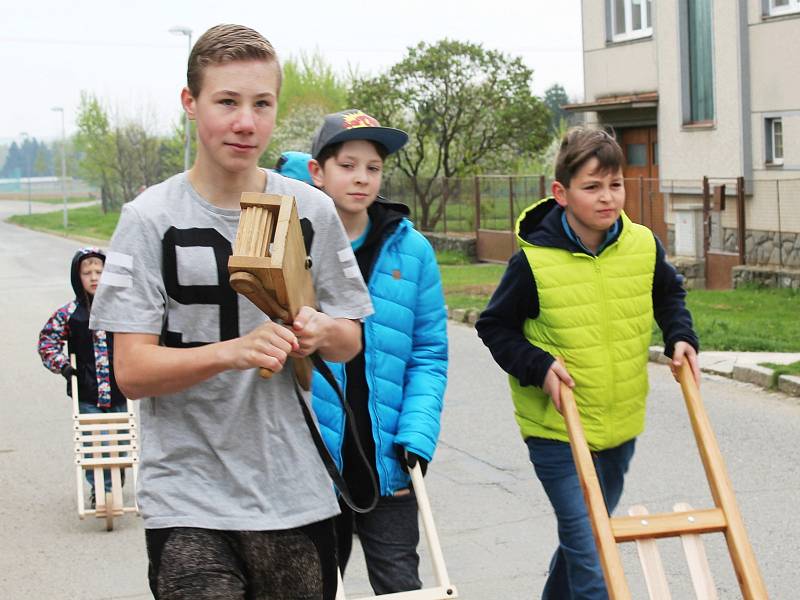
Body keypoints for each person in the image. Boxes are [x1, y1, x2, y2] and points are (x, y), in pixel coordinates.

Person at [89, 25, 373, 600]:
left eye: (262, 104)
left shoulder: (312, 208)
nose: (246, 122)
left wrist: (322, 330)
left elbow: (351, 341)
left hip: (296, 493)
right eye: (227, 102)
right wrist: (231, 353)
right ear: (190, 104)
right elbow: (131, 372)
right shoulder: (148, 220)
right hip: (188, 499)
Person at [475, 126, 700, 600]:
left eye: (614, 185)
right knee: (593, 551)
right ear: (562, 193)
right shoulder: (533, 263)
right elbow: (495, 327)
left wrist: (680, 336)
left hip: (620, 422)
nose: (607, 198)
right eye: (592, 187)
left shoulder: (642, 245)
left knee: (586, 542)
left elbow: (669, 294)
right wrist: (539, 367)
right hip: (558, 429)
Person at [303, 109, 448, 595]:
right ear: (317, 173)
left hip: (388, 460)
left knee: (402, 586)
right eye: (348, 165)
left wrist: (418, 436)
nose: (361, 178)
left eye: (373, 167)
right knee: (318, 587)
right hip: (313, 465)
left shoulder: (413, 252)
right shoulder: (292, 248)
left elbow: (429, 352)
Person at [38, 247, 127, 507]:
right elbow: (47, 342)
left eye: (99, 271)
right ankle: (101, 491)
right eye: (87, 272)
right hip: (86, 391)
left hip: (120, 388)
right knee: (93, 446)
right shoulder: (70, 314)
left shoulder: (120, 310)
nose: (94, 277)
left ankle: (114, 478)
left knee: (120, 445)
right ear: (78, 278)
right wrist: (64, 366)